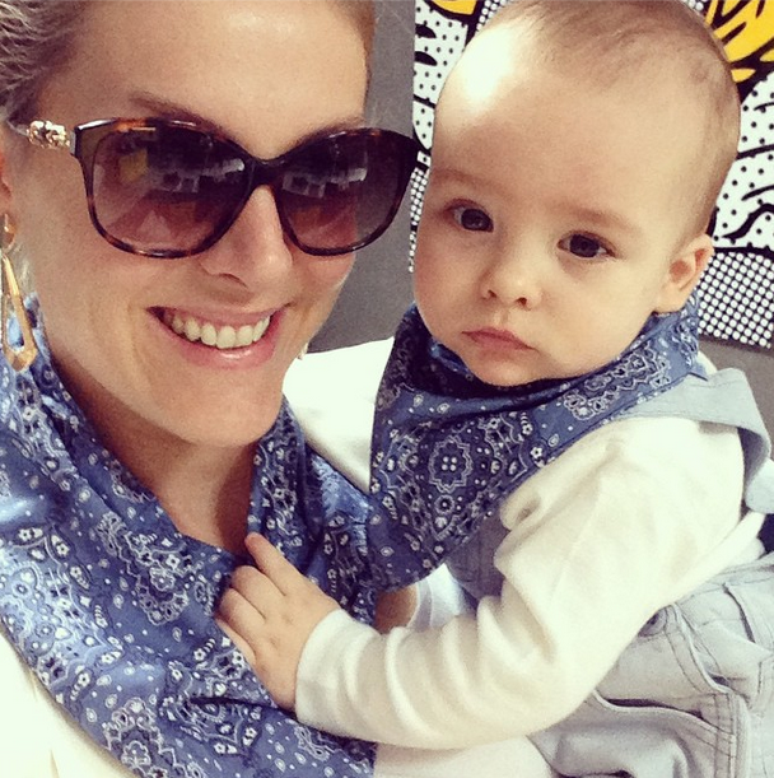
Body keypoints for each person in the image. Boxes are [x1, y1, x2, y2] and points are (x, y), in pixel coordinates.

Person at [216, 1, 774, 775]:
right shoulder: (519, 352)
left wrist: (326, 663)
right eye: (472, 217)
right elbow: (363, 395)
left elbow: (513, 677)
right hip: (561, 644)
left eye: (584, 245)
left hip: (663, 715)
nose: (510, 279)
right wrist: (266, 396)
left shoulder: (637, 468)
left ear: (675, 276)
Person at [0, 1, 472, 777]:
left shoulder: (445, 461)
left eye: (325, 173)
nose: (263, 264)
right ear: (8, 176)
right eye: (166, 168)